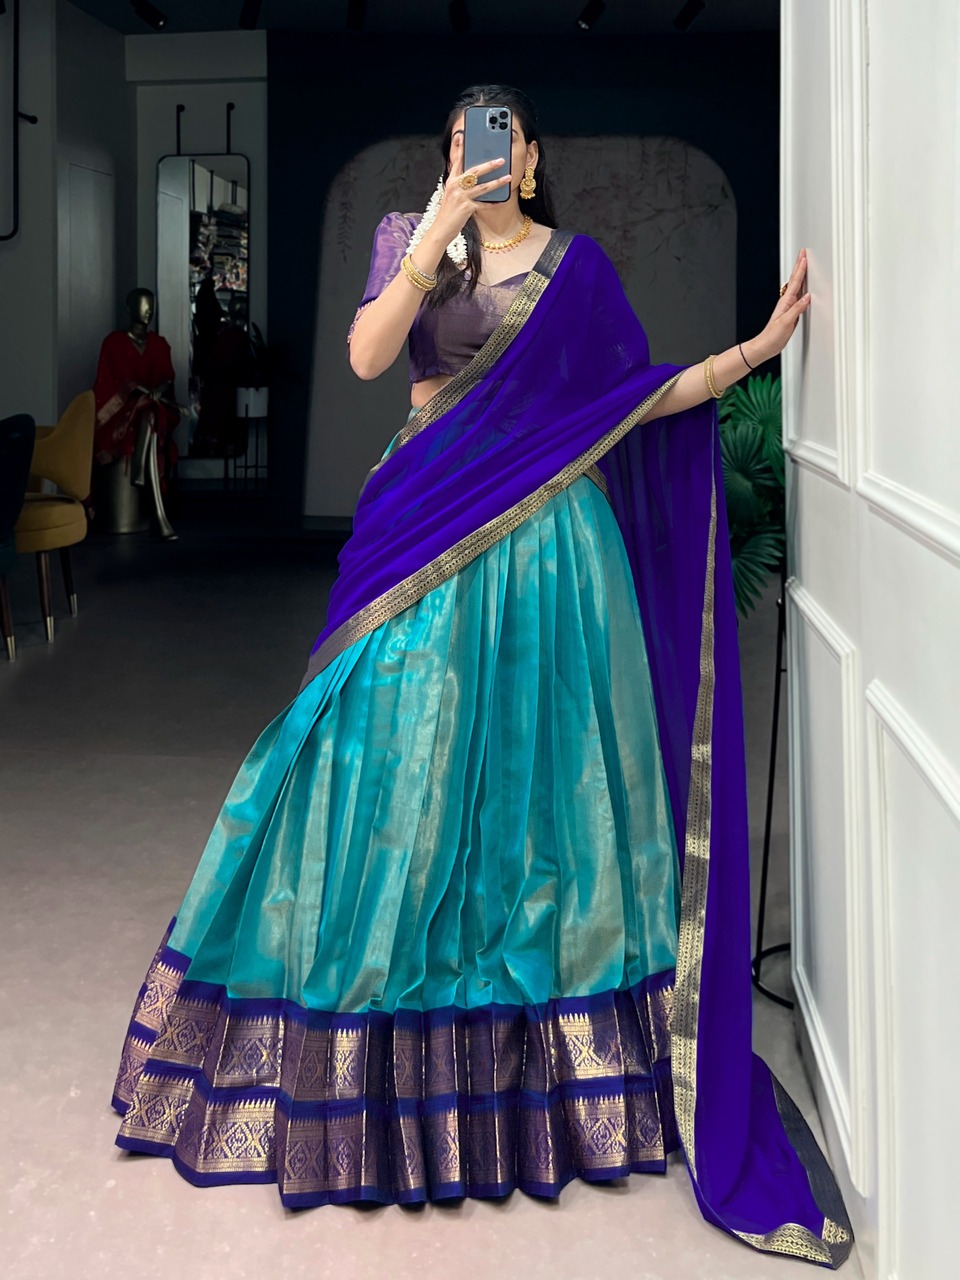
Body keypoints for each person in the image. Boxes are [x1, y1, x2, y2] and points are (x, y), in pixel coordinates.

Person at [111, 86, 852, 1268]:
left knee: (548, 803)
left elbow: (631, 401)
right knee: (382, 767)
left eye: (500, 139)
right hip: (425, 537)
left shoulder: (579, 269)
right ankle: (372, 1052)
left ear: (535, 155)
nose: (484, 155)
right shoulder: (410, 240)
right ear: (447, 159)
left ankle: (546, 1075)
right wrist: (438, 231)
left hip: (556, 561)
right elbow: (367, 356)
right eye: (463, 142)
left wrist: (752, 355)